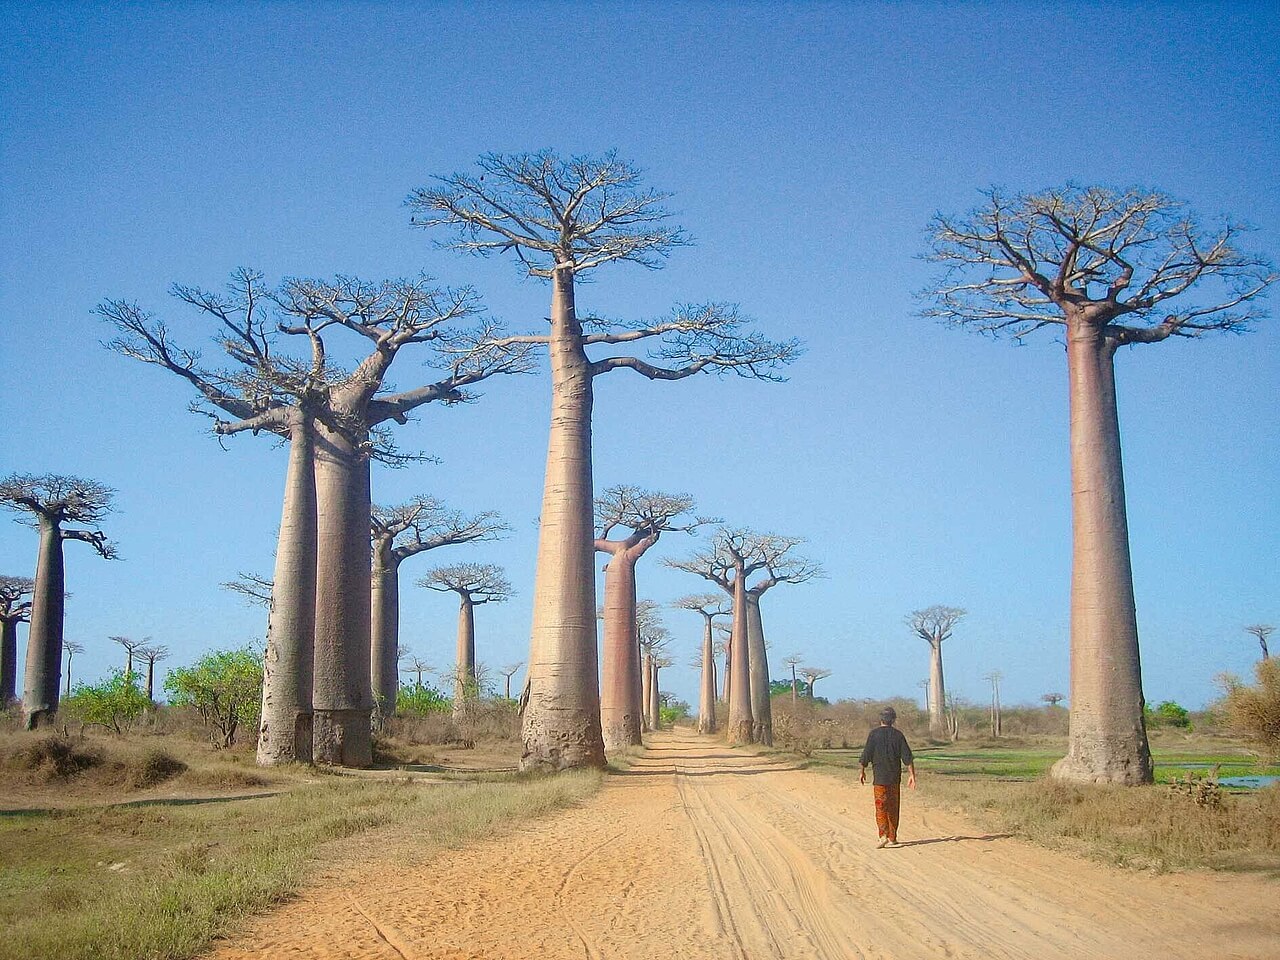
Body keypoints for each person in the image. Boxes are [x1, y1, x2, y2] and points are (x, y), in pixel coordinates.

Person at [859, 706, 916, 847]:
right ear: (893, 720)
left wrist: (862, 771)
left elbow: (865, 755)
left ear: (881, 719)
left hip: (879, 779)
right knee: (893, 807)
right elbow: (907, 757)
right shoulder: (898, 735)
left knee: (880, 807)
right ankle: (892, 838)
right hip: (894, 779)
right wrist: (912, 775)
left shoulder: (873, 735)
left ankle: (882, 835)